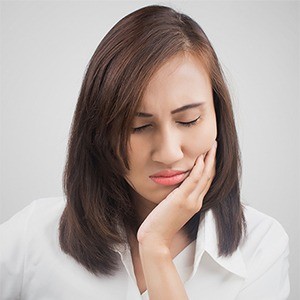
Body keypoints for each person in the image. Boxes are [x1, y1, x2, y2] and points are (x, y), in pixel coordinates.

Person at [0, 5, 290, 300]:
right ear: (100, 133)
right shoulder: (32, 238)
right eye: (139, 126)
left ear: (218, 116)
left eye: (188, 120)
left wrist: (155, 248)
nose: (168, 153)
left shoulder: (261, 246)